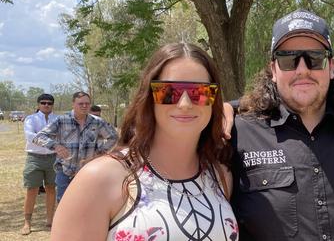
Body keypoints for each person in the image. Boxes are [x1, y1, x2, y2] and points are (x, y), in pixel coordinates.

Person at [49, 43, 238, 240]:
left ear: (213, 100)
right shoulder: (101, 179)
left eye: (199, 92)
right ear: (149, 97)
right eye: (169, 92)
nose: (184, 104)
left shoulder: (220, 176)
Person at [231, 9, 334, 240]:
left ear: (330, 67)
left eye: (314, 58)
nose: (302, 69)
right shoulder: (237, 134)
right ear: (273, 70)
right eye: (288, 59)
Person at [33, 91, 118, 203]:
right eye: (80, 103)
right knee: (64, 204)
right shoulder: (62, 120)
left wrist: (100, 153)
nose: (84, 106)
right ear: (73, 104)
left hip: (89, 172)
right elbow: (39, 137)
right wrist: (56, 146)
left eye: (87, 104)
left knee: (88, 204)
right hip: (65, 171)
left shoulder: (97, 122)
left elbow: (113, 137)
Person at [20, 93, 58, 235]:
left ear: (52, 105)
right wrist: (50, 141)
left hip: (53, 158)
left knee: (51, 189)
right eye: (43, 103)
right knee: (32, 190)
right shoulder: (31, 119)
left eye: (49, 103)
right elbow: (30, 136)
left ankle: (50, 220)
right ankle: (27, 223)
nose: (46, 105)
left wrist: (41, 136)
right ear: (38, 104)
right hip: (34, 158)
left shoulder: (58, 119)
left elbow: (61, 135)